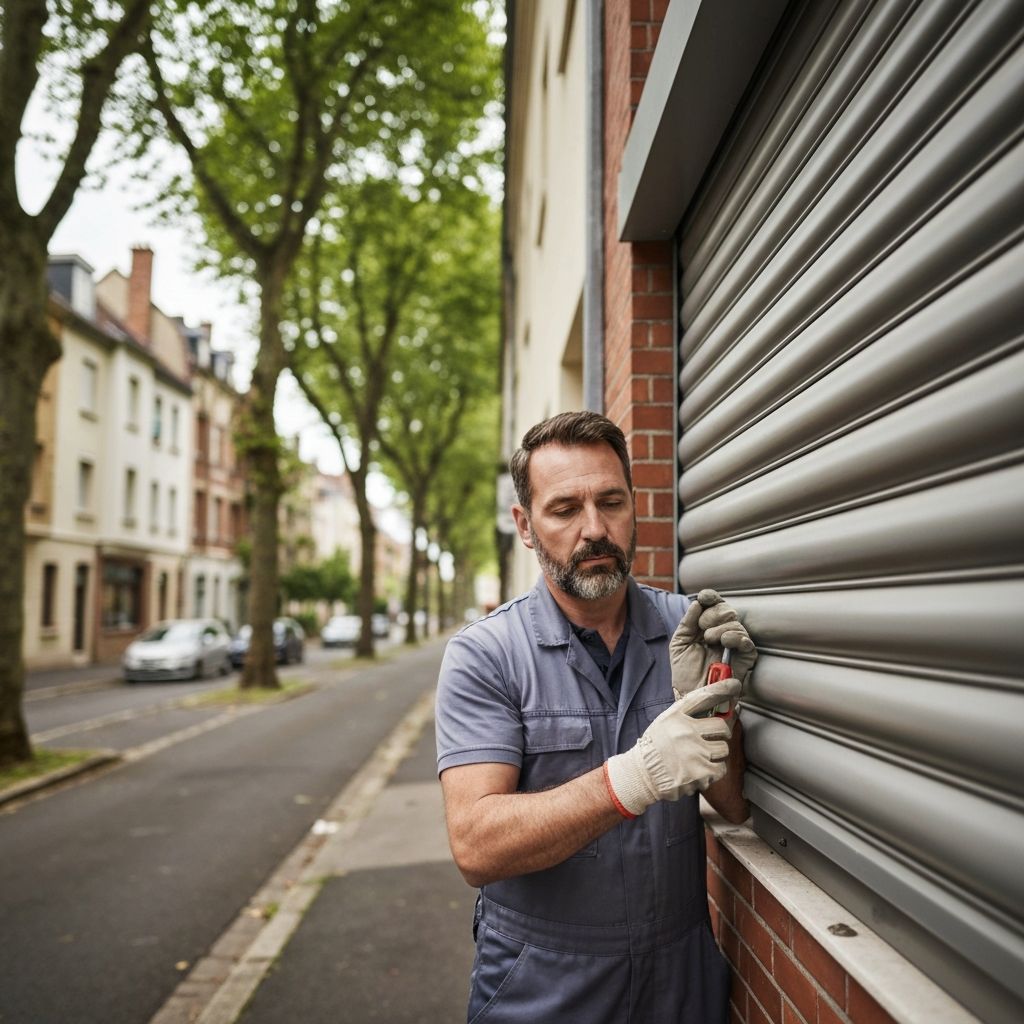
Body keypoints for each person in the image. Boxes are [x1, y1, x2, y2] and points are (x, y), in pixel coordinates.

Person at [436, 411, 757, 1023]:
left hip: (680, 976)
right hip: (544, 985)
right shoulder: (486, 655)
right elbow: (476, 845)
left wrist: (719, 707)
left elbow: (735, 805)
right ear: (525, 527)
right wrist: (632, 778)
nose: (594, 529)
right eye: (564, 510)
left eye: (612, 501)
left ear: (636, 505)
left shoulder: (686, 630)